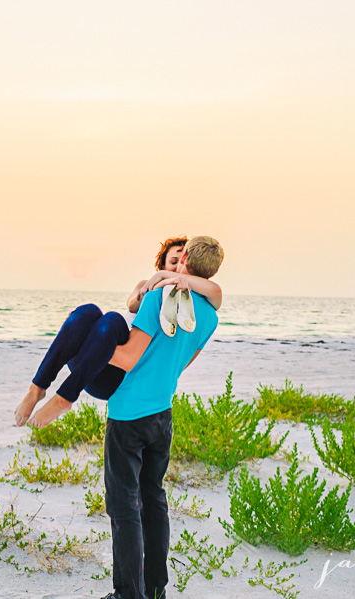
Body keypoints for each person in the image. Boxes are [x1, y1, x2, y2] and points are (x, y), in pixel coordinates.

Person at [31, 235, 224, 599]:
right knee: (153, 502)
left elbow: (128, 358)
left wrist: (92, 349)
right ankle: (155, 591)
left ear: (182, 265)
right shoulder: (210, 317)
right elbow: (183, 363)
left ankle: (127, 595)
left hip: (128, 413)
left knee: (124, 508)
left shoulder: (157, 300)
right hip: (162, 415)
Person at [14, 236, 221, 428]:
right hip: (91, 363)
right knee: (88, 311)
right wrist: (161, 282)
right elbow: (132, 305)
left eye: (182, 262)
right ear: (162, 264)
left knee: (111, 319)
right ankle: (37, 389)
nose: (178, 267)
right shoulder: (149, 289)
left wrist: (167, 277)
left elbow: (215, 292)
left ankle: (64, 398)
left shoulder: (190, 299)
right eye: (172, 262)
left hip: (114, 376)